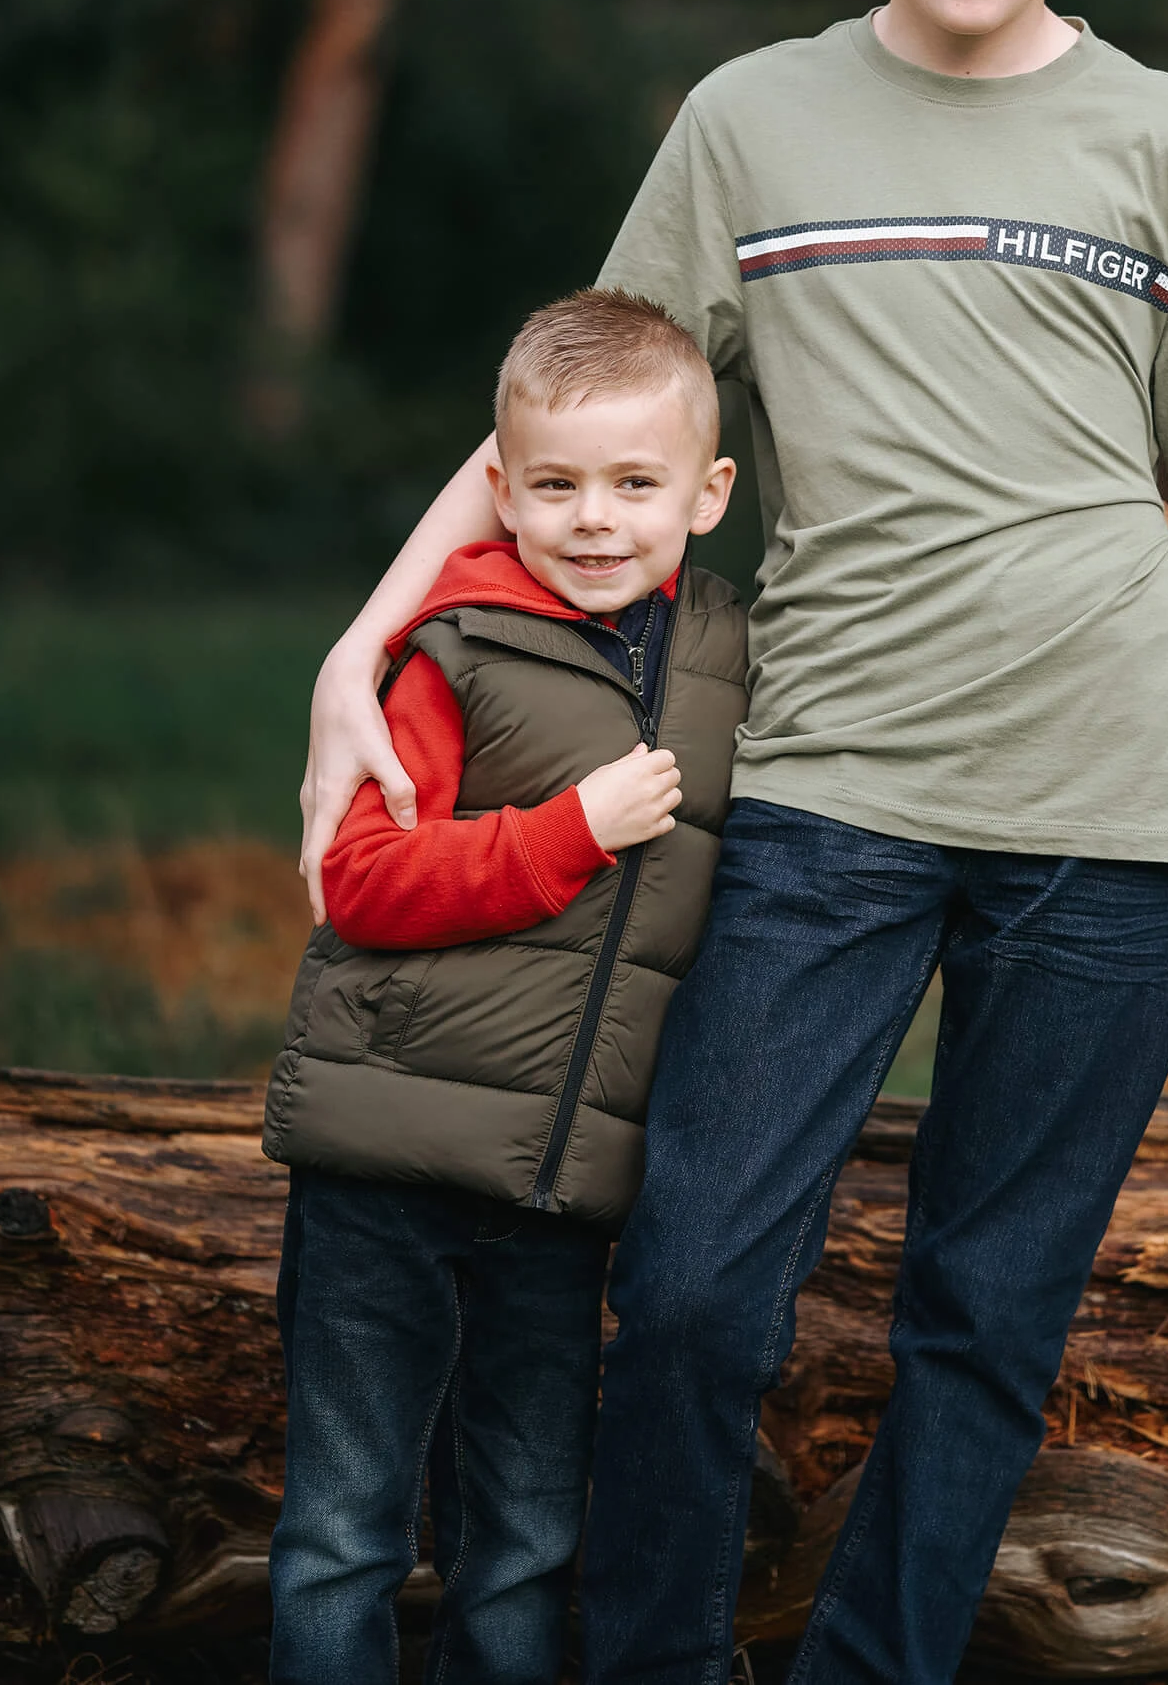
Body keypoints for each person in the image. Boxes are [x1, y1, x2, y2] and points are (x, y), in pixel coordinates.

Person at [297, 0, 1168, 1685]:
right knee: (684, 1291)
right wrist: (363, 644)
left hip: (1115, 804)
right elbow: (562, 417)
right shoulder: (750, 122)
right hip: (830, 788)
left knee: (986, 1316)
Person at [264, 289, 745, 1685]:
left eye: (634, 484)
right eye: (556, 485)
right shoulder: (451, 653)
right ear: (498, 490)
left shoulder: (728, 655)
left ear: (707, 495)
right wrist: (566, 834)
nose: (596, 519)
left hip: (559, 1188)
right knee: (345, 1529)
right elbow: (359, 881)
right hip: (387, 1174)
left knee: (528, 1533)